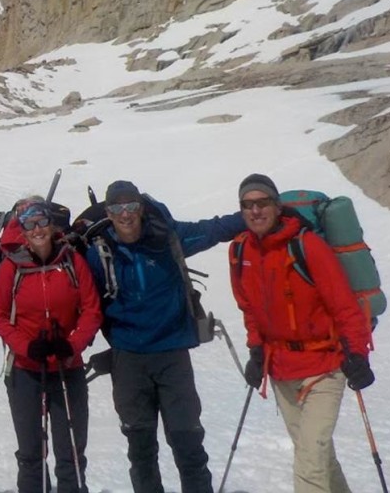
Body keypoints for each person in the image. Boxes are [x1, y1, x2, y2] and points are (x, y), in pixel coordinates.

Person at [84, 180, 245, 493]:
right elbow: (81, 300)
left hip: (172, 356)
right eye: (118, 207)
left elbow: (214, 229)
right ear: (108, 212)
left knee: (188, 444)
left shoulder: (168, 239)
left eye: (131, 206)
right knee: (141, 450)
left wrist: (256, 212)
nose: (126, 214)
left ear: (142, 208)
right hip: (128, 359)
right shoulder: (98, 253)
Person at [230, 174, 374, 493]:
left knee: (309, 464)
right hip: (282, 370)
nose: (255, 211)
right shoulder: (240, 251)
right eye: (247, 204)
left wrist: (358, 354)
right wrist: (256, 351)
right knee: (318, 457)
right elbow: (249, 308)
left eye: (262, 202)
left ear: (277, 206)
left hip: (324, 368)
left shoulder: (307, 245)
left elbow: (344, 306)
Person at [0, 202, 103, 493]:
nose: (37, 229)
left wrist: (73, 345)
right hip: (25, 369)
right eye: (29, 224)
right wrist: (27, 347)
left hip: (67, 367)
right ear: (22, 231)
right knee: (30, 454)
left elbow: (92, 309)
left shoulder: (71, 260)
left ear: (52, 226)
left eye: (41, 222)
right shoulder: (11, 266)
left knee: (71, 455)